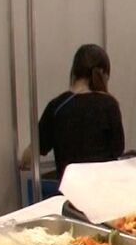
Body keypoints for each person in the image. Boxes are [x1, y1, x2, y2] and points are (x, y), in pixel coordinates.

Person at [19, 44, 125, 184]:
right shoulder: (109, 104)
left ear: (74, 72)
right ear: (103, 73)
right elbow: (118, 149)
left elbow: (30, 154)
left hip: (70, 192)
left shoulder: (56, 106)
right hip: (103, 189)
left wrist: (22, 163)